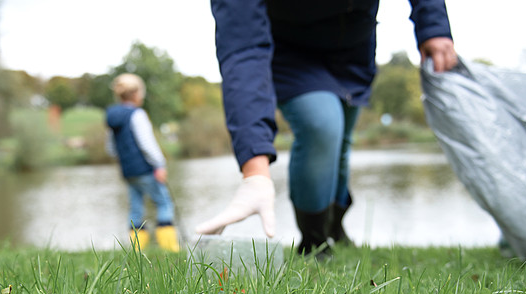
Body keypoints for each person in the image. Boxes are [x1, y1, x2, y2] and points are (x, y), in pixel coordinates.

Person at [196, 0, 458, 256]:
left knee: (342, 141)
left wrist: (433, 26)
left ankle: (335, 227)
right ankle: (314, 241)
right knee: (322, 125)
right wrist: (255, 171)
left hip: (353, 47)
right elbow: (242, 47)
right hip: (290, 51)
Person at [106, 73, 179, 252]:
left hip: (128, 171)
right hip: (145, 169)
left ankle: (136, 250)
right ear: (136, 94)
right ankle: (170, 249)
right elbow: (147, 144)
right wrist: (159, 164)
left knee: (136, 208)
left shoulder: (112, 117)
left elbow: (111, 149)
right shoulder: (137, 114)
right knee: (164, 202)